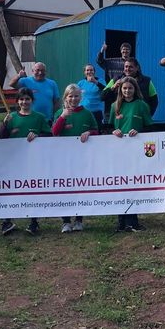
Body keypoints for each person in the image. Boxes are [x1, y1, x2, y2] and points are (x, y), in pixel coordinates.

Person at [0, 88, 49, 235]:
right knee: (10, 189)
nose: (24, 102)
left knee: (32, 189)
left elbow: (49, 134)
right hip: (13, 160)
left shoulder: (39, 117)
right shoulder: (11, 117)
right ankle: (7, 221)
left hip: (33, 160)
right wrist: (3, 124)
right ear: (17, 101)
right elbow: (2, 138)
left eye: (27, 99)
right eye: (21, 99)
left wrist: (38, 135)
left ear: (32, 100)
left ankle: (33, 221)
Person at [53, 84, 98, 233]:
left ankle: (79, 219)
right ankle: (66, 221)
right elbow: (54, 132)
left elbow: (97, 131)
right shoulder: (60, 113)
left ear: (81, 98)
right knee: (65, 188)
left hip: (82, 158)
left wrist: (90, 133)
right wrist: (62, 117)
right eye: (70, 96)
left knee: (81, 187)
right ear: (66, 98)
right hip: (64, 158)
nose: (73, 99)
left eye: (76, 96)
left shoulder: (87, 113)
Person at [111, 77, 153, 232]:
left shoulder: (142, 106)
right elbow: (108, 128)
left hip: (136, 152)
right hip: (118, 152)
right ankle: (120, 221)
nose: (127, 91)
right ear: (120, 90)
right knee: (119, 185)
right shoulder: (114, 106)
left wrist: (139, 132)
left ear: (135, 89)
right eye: (124, 88)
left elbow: (150, 128)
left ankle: (133, 220)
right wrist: (113, 131)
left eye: (130, 88)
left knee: (133, 185)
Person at [77, 64, 105, 131]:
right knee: (83, 131)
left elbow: (105, 91)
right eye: (87, 70)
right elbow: (76, 95)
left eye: (91, 70)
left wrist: (95, 82)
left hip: (96, 113)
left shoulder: (100, 81)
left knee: (97, 132)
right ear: (84, 72)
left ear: (94, 72)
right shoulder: (81, 83)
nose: (89, 72)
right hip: (83, 112)